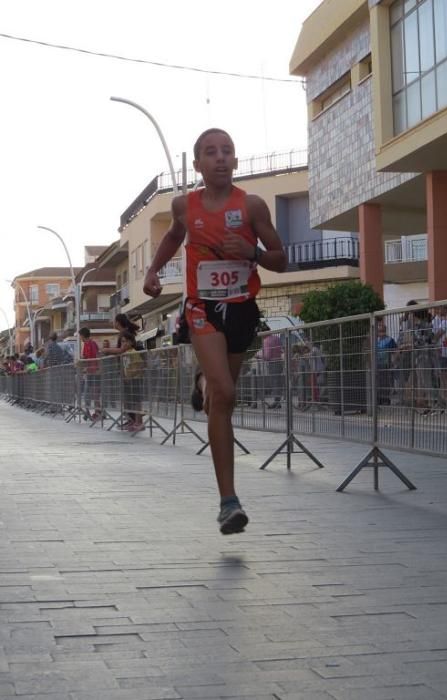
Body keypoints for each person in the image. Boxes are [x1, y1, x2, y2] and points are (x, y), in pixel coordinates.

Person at [143, 127, 286, 535]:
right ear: (198, 164)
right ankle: (229, 502)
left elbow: (282, 259)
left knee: (220, 394)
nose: (220, 158)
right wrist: (153, 271)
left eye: (227, 151)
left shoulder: (253, 206)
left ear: (236, 161)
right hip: (202, 307)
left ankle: (204, 378)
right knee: (226, 394)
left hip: (241, 309)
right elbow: (173, 237)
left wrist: (253, 253)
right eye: (210, 152)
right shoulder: (183, 206)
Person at [120, 331, 145, 432]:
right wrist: (124, 376)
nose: (123, 344)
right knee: (129, 401)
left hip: (135, 379)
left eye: (125, 341)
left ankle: (139, 422)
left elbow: (141, 365)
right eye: (122, 342)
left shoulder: (133, 352)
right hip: (128, 380)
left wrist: (132, 375)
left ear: (131, 342)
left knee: (136, 401)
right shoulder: (124, 354)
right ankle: (131, 420)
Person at [78, 327, 101, 420]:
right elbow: (85, 357)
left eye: (80, 336)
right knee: (89, 392)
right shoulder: (86, 344)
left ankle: (98, 412)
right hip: (89, 372)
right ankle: (91, 411)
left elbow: (96, 356)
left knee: (95, 393)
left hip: (94, 372)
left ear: (83, 335)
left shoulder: (92, 344)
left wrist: (98, 368)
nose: (80, 338)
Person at [262, 332, 283, 409]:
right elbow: (281, 350)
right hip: (279, 362)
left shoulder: (266, 340)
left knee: (274, 383)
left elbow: (267, 356)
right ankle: (278, 401)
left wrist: (259, 356)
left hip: (272, 363)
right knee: (277, 382)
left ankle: (276, 402)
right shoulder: (277, 338)